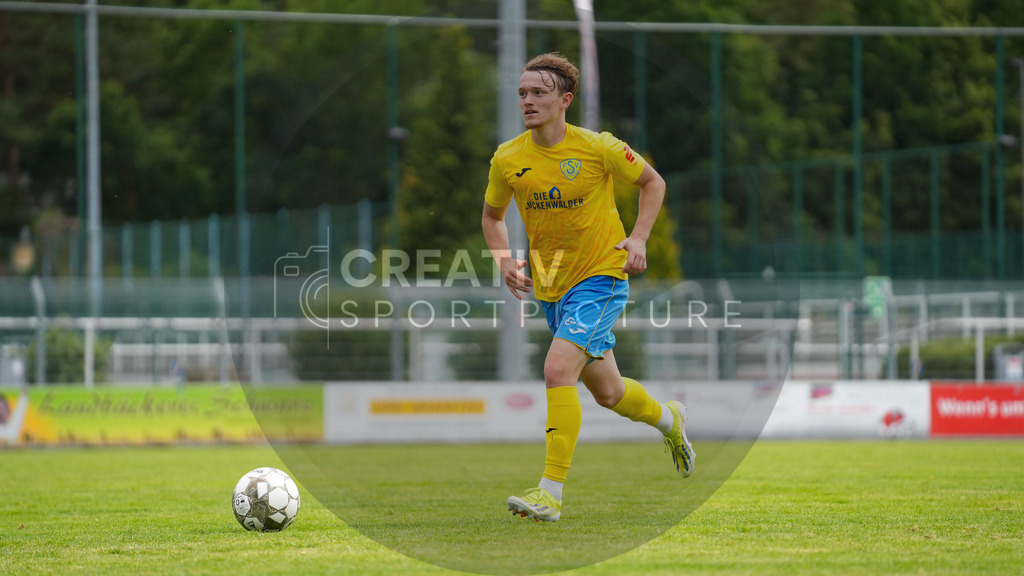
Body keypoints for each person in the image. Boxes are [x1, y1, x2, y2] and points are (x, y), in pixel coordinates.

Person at [481, 52, 695, 523]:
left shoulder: (599, 148)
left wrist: (638, 238)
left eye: (538, 92)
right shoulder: (508, 158)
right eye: (522, 93)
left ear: (566, 99)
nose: (528, 101)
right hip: (551, 287)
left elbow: (653, 182)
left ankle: (549, 493)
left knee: (558, 369)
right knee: (610, 394)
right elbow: (492, 217)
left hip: (601, 277)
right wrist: (503, 260)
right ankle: (668, 418)